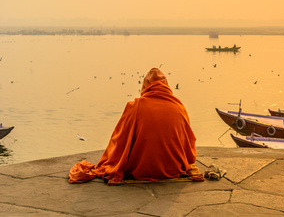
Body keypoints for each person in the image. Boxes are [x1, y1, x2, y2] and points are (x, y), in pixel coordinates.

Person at [68, 67, 203, 185]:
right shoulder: (179, 106)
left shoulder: (135, 106)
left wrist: (112, 162)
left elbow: (119, 139)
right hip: (172, 168)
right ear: (166, 85)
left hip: (139, 168)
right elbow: (188, 144)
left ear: (145, 86)